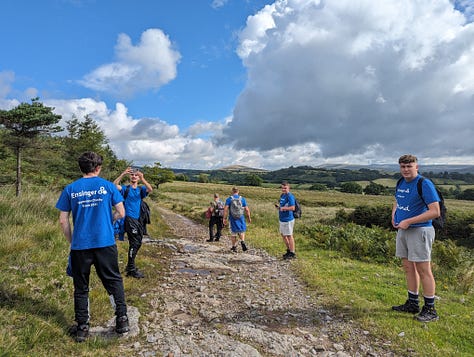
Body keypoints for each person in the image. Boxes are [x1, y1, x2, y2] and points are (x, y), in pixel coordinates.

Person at [56, 152, 129, 342]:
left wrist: (72, 240)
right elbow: (121, 212)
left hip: (81, 245)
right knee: (113, 280)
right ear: (98, 168)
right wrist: (109, 220)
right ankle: (122, 320)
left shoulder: (70, 189)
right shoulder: (108, 186)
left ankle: (82, 328)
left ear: (81, 168)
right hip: (105, 242)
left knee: (81, 286)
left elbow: (63, 221)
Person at [391, 154, 441, 322]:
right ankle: (412, 303)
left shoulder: (424, 184)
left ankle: (430, 309)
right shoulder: (401, 182)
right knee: (408, 268)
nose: (405, 170)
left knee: (423, 270)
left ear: (416, 167)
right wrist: (394, 215)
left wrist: (408, 221)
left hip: (420, 231)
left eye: (409, 166)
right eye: (403, 167)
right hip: (403, 230)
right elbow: (397, 200)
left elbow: (435, 211)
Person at [114, 167, 153, 279]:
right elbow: (114, 186)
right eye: (132, 175)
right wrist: (122, 174)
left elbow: (150, 189)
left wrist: (142, 177)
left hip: (138, 220)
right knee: (135, 243)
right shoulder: (125, 189)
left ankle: (130, 267)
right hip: (129, 219)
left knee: (137, 242)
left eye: (136, 175)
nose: (134, 176)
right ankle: (131, 269)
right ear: (129, 177)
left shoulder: (141, 190)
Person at [223, 187, 251, 252]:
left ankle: (234, 246)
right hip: (241, 217)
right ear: (238, 191)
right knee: (242, 231)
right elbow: (247, 209)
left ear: (232, 191)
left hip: (232, 218)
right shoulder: (242, 199)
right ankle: (242, 241)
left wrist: (224, 218)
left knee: (233, 233)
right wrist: (249, 217)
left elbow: (225, 209)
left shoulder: (229, 199)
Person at [277, 181, 297, 260]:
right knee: (283, 235)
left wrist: (283, 208)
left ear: (289, 188)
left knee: (289, 235)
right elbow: (282, 205)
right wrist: (279, 207)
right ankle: (288, 250)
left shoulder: (290, 196)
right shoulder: (282, 195)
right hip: (282, 218)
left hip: (288, 219)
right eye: (282, 188)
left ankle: (292, 253)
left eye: (285, 188)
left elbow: (293, 208)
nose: (283, 189)